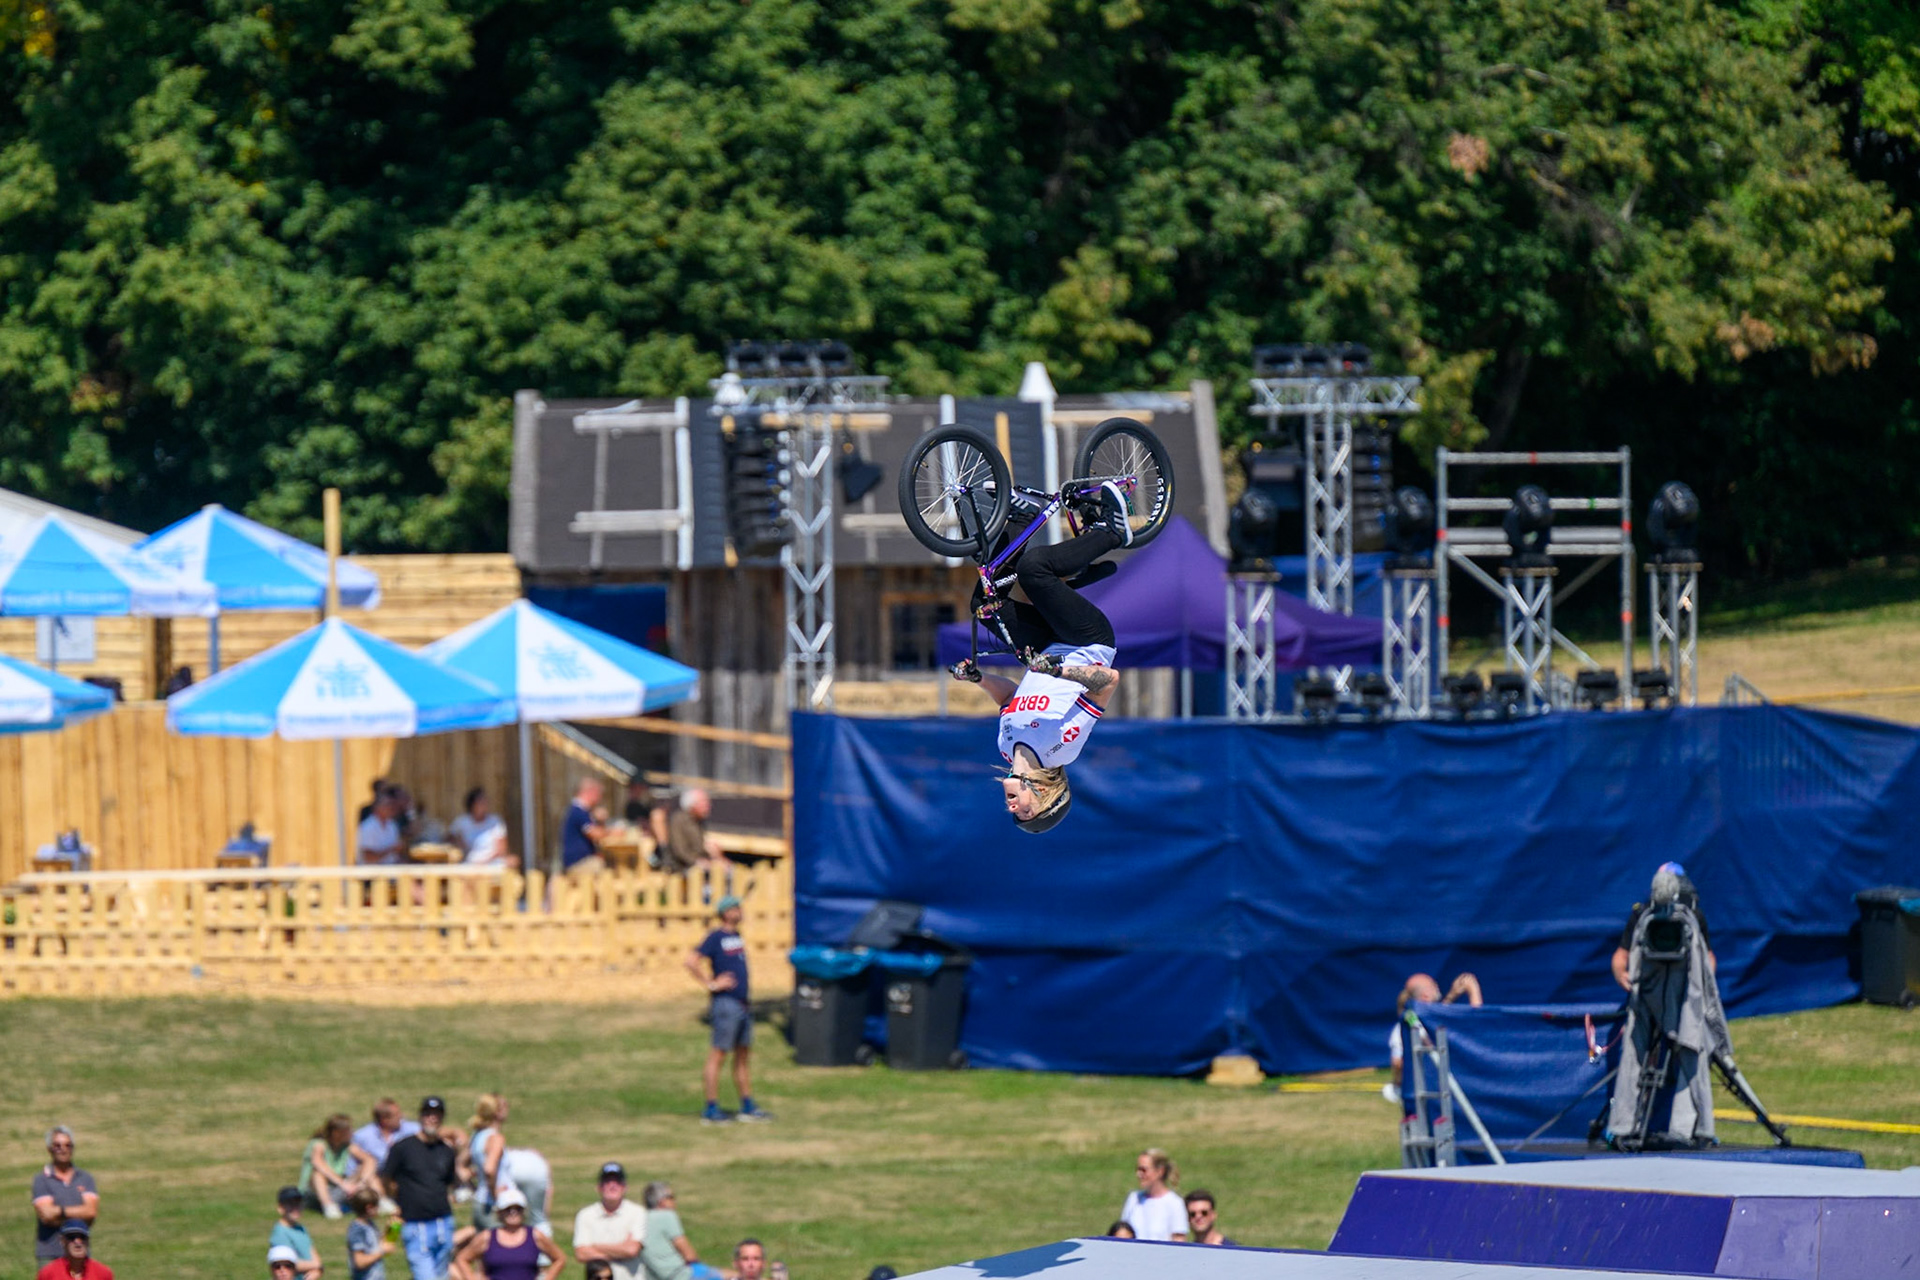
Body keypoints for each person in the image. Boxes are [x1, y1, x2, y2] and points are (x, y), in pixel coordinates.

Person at [948, 487, 1133, 833]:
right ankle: (1112, 531)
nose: (1015, 809)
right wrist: (1061, 670)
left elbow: (1008, 697)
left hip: (1046, 645)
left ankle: (1020, 521)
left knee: (985, 603)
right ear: (1048, 794)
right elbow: (1108, 682)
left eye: (1015, 815)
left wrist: (978, 679)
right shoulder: (1061, 750)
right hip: (1086, 642)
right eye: (1028, 813)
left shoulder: (1005, 747)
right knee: (1035, 571)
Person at [686, 895, 768, 1124]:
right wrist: (711, 983)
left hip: (743, 1004)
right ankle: (711, 1108)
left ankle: (747, 1105)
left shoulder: (737, 937)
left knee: (742, 1055)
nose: (740, 911)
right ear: (725, 913)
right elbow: (691, 961)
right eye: (735, 908)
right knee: (718, 1054)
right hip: (726, 1004)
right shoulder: (716, 937)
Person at [382, 1096, 460, 1280]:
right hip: (415, 1224)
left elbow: (448, 1182)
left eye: (436, 1115)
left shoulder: (446, 1151)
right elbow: (386, 1178)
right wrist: (394, 1200)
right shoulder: (403, 1148)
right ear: (420, 1116)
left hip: (443, 1222)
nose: (432, 1118)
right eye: (428, 1114)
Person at [1612, 861, 1715, 990]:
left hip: (1685, 987)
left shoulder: (1693, 917)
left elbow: (1708, 955)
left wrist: (1705, 981)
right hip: (1648, 985)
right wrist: (1621, 974)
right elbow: (1622, 953)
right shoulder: (1642, 916)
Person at [450, 1188, 563, 1280]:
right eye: (508, 1209)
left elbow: (559, 1258)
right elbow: (462, 1259)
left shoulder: (535, 1236)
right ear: (499, 1212)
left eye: (518, 1209)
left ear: (524, 1211)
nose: (513, 1213)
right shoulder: (487, 1237)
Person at [31, 1126, 99, 1270]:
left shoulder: (85, 1178)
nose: (63, 1149)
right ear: (49, 1148)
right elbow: (46, 1215)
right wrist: (78, 1216)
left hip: (80, 1252)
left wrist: (59, 1211)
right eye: (57, 1145)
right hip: (50, 1253)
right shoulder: (41, 1179)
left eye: (68, 1145)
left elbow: (91, 1212)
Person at [1387, 972, 1483, 1069]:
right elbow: (1477, 1025)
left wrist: (1452, 995)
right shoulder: (1431, 1024)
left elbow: (1397, 1064)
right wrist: (1473, 990)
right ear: (1426, 996)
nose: (1437, 986)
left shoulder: (1404, 1026)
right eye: (1433, 985)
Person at [571, 1162, 646, 1280]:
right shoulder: (586, 1215)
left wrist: (595, 1247)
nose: (613, 1185)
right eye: (607, 1182)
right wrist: (621, 1250)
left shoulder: (637, 1213)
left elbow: (632, 1250)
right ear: (599, 1187)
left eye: (617, 1181)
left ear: (625, 1187)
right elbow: (581, 1253)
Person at [302, 1113, 370, 1219]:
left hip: (337, 1188)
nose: (352, 1133)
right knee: (318, 1174)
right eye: (348, 1130)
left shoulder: (348, 1146)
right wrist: (343, 1184)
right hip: (313, 1192)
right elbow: (318, 1163)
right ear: (337, 1133)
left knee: (362, 1168)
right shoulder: (319, 1144)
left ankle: (379, 1200)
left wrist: (362, 1182)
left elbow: (369, 1160)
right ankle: (328, 1205)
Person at [637, 1183, 709, 1280]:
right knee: (730, 1275)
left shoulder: (640, 1218)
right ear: (662, 1201)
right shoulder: (667, 1215)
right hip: (678, 1275)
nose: (675, 1201)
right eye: (671, 1197)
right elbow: (688, 1254)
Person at [1118, 1149, 1188, 1242]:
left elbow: (1179, 1242)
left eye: (1144, 1170)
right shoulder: (1133, 1199)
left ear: (1160, 1171)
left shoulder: (1175, 1203)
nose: (1139, 1174)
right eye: (1138, 1169)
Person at [466, 1094, 511, 1230]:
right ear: (497, 1112)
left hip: (479, 1201)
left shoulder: (477, 1135)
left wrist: (472, 1187)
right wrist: (496, 1195)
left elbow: (460, 1166)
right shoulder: (495, 1138)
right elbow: (489, 1169)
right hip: (493, 1205)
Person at [657, 790, 724, 875]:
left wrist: (713, 854)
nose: (708, 806)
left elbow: (699, 847)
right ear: (693, 804)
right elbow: (679, 850)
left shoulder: (698, 821)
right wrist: (698, 862)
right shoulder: (679, 820)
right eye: (704, 802)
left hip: (698, 865)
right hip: (681, 868)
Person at [271, 1185, 323, 1277]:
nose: (295, 1208)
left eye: (298, 1203)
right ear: (280, 1208)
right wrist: (316, 1265)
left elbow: (312, 1252)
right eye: (290, 1204)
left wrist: (317, 1270)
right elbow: (285, 1263)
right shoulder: (280, 1233)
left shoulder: (301, 1228)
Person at [353, 1100, 420, 1171]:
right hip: (376, 1175)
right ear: (384, 1120)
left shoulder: (412, 1129)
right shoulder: (363, 1136)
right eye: (397, 1115)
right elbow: (353, 1165)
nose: (401, 1116)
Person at [345, 1188, 395, 1280]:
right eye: (377, 1206)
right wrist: (382, 1251)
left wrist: (391, 1227)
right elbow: (359, 1262)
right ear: (369, 1208)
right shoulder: (358, 1230)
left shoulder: (369, 1224)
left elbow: (377, 1244)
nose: (379, 1209)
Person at [35, 1220, 111, 1280]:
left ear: (88, 1241)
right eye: (71, 1237)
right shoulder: (48, 1273)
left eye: (82, 1237)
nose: (77, 1242)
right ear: (62, 1241)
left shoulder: (102, 1273)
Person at [452, 788, 510, 865]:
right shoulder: (462, 822)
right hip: (469, 863)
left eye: (485, 802)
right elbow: (449, 839)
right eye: (480, 802)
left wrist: (484, 861)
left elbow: (502, 848)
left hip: (492, 862)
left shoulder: (495, 821)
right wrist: (459, 844)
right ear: (472, 804)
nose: (484, 805)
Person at [562, 778, 607, 874]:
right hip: (577, 864)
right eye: (599, 794)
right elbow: (595, 834)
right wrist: (612, 832)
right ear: (591, 792)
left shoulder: (582, 811)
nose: (599, 799)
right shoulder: (578, 811)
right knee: (604, 867)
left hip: (581, 860)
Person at [357, 787, 409, 865]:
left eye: (392, 805)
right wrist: (391, 850)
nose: (391, 808)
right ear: (377, 807)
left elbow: (396, 855)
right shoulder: (368, 827)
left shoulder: (391, 825)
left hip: (390, 871)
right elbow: (368, 857)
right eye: (387, 805)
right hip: (371, 874)